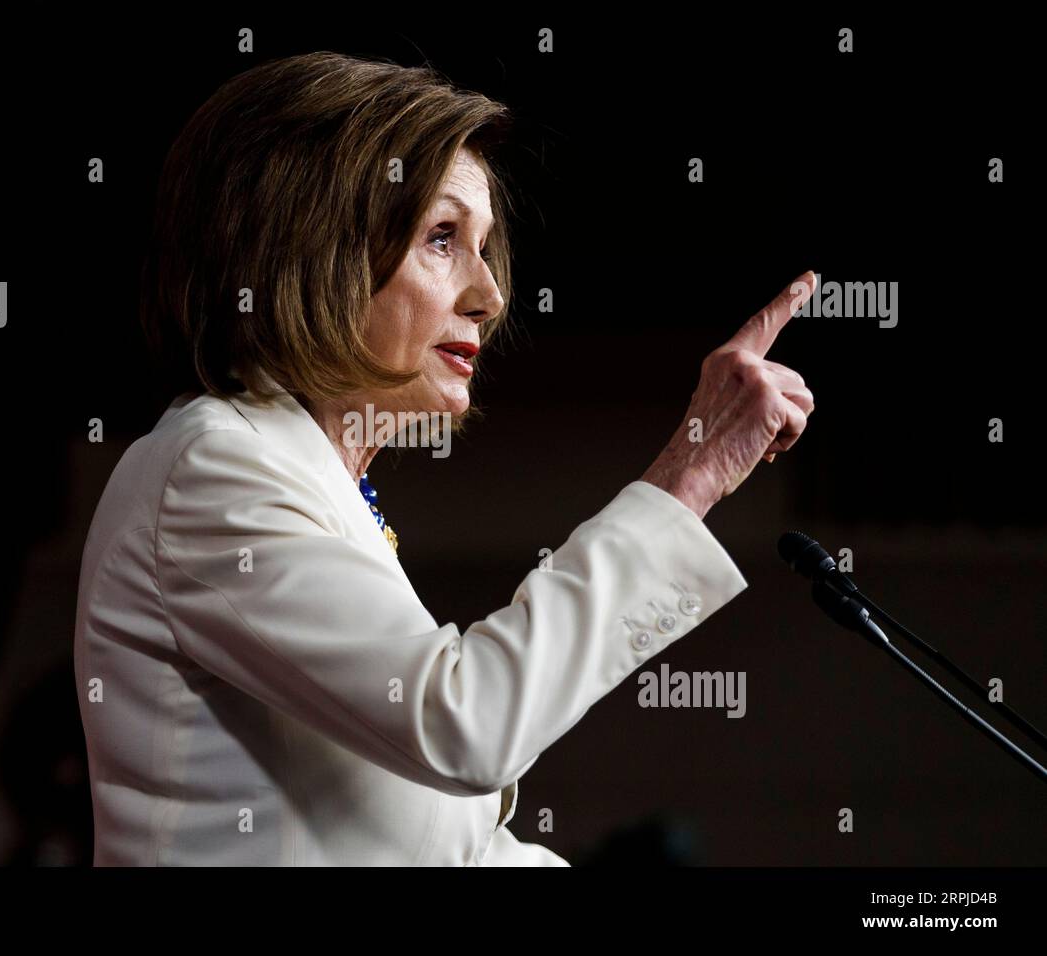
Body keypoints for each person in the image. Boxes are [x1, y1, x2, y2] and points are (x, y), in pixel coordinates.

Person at [72, 51, 815, 866]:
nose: (489, 295)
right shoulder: (209, 469)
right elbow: (468, 720)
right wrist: (692, 474)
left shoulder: (310, 484)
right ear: (313, 248)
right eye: (440, 239)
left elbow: (450, 847)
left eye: (484, 245)